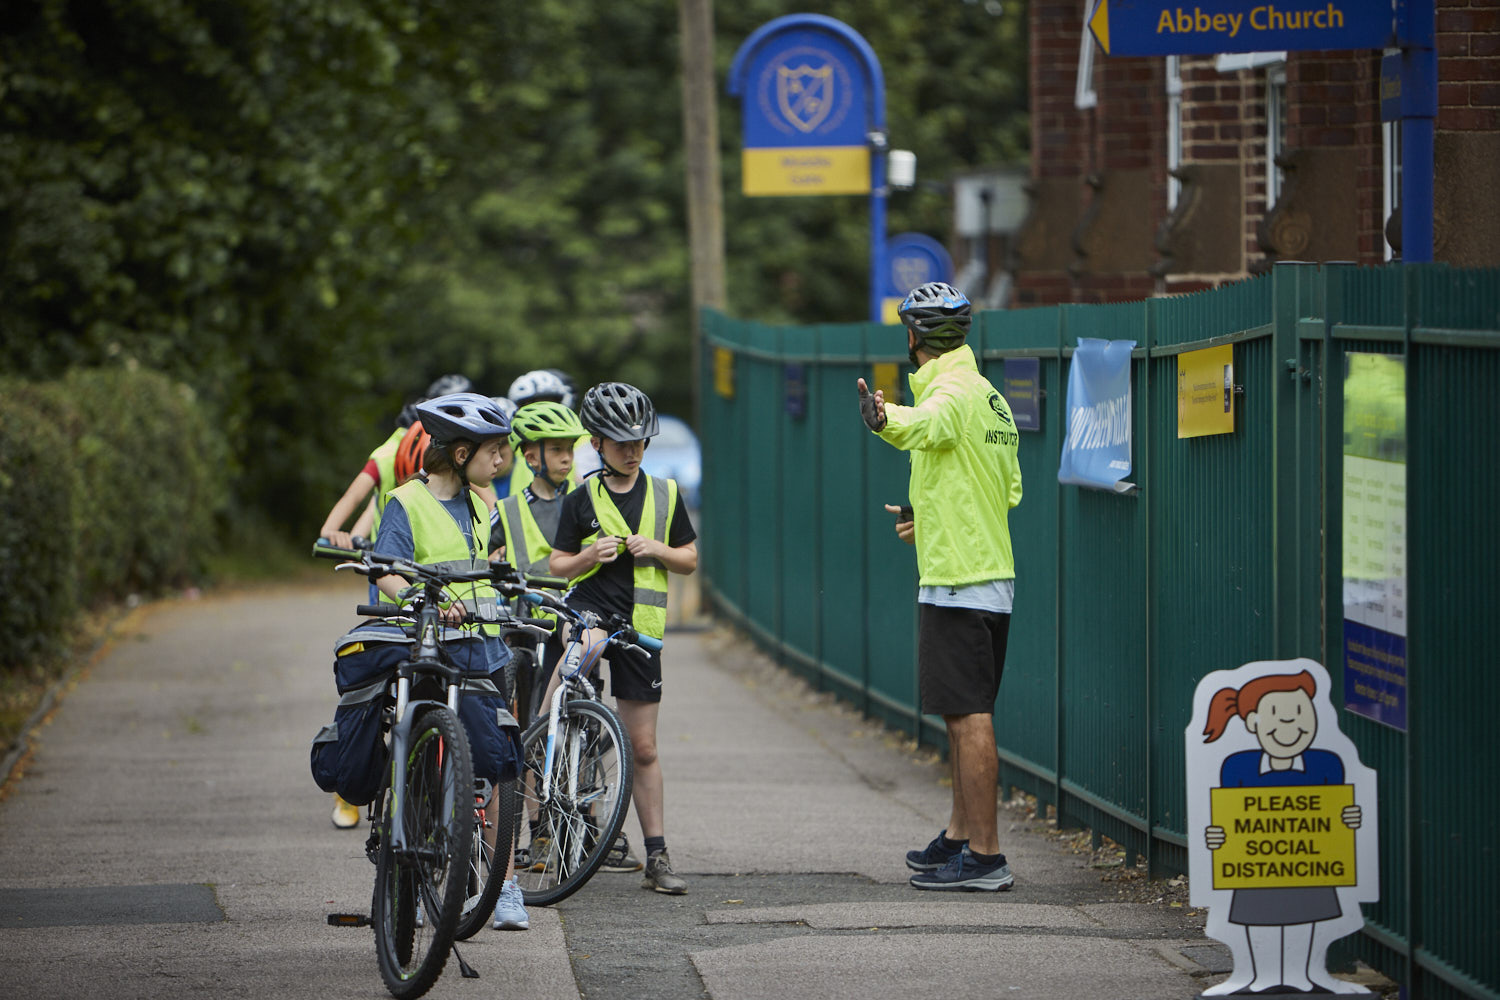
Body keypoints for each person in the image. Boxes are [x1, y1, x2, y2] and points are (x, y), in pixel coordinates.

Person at [856, 281, 1022, 892]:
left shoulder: (948, 393)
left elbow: (928, 425)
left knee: (969, 716)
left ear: (913, 336)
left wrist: (883, 418)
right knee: (963, 715)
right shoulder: (990, 396)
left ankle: (986, 856)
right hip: (987, 570)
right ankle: (958, 837)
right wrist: (930, 517)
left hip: (959, 578)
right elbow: (1005, 490)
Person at [372, 391, 531, 931]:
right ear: (461, 455)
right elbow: (387, 572)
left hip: (484, 653)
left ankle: (503, 887)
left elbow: (488, 564)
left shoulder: (483, 504)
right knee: (421, 766)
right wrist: (418, 598)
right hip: (430, 652)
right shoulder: (406, 502)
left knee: (497, 766)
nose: (502, 460)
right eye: (494, 451)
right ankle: (411, 881)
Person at [548, 382, 698, 894]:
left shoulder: (665, 494)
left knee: (645, 747)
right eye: (620, 443)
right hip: (591, 617)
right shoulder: (580, 499)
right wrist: (590, 556)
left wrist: (656, 548)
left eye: (638, 442)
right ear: (597, 444)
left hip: (642, 632)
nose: (632, 451)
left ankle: (657, 857)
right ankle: (580, 827)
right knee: (569, 715)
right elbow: (558, 564)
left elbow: (690, 561)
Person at [320, 374, 469, 830]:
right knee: (379, 669)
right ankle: (352, 789)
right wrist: (343, 534)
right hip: (393, 570)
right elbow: (363, 506)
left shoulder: (463, 473)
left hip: (444, 591)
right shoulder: (388, 454)